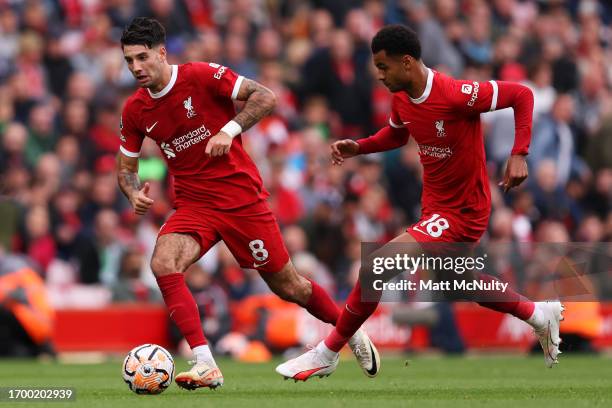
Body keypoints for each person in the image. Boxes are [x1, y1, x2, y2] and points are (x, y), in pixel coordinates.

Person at [276, 25, 564, 381]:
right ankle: (539, 314)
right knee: (461, 282)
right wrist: (361, 146)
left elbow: (521, 94)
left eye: (384, 67)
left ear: (407, 62)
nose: (379, 75)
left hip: (463, 211)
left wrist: (519, 153)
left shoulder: (456, 93)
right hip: (435, 207)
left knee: (375, 267)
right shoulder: (401, 96)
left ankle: (328, 351)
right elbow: (398, 133)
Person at [116, 17, 377, 391]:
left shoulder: (201, 76)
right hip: (194, 205)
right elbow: (126, 167)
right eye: (129, 61)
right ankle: (205, 362)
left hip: (241, 200)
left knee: (289, 287)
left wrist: (229, 129)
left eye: (142, 57)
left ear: (161, 52)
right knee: (162, 261)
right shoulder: (135, 109)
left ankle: (349, 331)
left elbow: (265, 96)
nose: (136, 67)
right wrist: (132, 191)